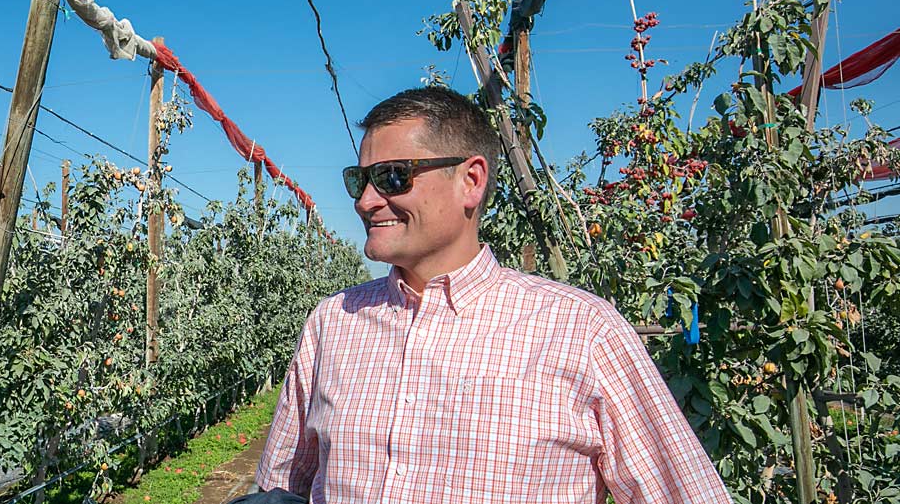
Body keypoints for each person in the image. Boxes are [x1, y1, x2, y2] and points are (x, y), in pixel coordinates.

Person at [255, 87, 732, 503]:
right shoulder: (333, 323)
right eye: (359, 180)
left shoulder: (583, 332)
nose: (365, 201)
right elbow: (281, 488)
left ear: (471, 180)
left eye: (394, 176)